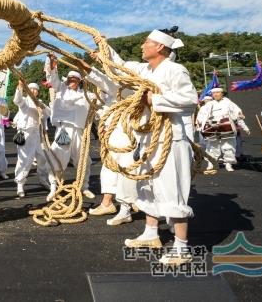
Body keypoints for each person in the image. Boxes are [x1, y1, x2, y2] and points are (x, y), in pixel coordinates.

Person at [103, 29, 197, 265]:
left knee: (172, 188)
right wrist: (103, 45)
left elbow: (190, 100)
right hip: (147, 138)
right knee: (146, 186)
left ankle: (181, 248)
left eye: (147, 42)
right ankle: (151, 233)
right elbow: (121, 65)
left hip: (170, 138)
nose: (142, 46)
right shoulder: (145, 70)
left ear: (160, 48)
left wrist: (153, 100)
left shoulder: (176, 70)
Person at [45, 55, 95, 201]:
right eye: (70, 78)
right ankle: (54, 186)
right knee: (58, 157)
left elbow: (100, 101)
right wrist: (52, 64)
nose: (71, 81)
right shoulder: (61, 88)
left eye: (74, 79)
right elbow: (52, 77)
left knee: (83, 159)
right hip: (64, 130)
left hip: (80, 131)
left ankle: (84, 187)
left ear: (79, 81)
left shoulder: (87, 95)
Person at [196, 87, 250, 171]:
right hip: (213, 128)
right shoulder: (209, 105)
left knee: (228, 146)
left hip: (226, 127)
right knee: (212, 147)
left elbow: (238, 115)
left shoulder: (229, 103)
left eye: (218, 92)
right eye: (214, 93)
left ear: (222, 93)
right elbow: (201, 117)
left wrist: (245, 127)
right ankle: (211, 163)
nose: (216, 94)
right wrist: (202, 126)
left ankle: (228, 164)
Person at [12, 81, 51, 197]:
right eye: (31, 89)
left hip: (38, 134)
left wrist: (41, 106)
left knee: (42, 158)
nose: (34, 91)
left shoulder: (40, 102)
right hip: (26, 134)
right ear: (28, 91)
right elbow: (17, 100)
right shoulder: (25, 102)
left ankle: (43, 179)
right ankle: (20, 184)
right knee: (25, 160)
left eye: (35, 89)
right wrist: (20, 87)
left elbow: (49, 113)